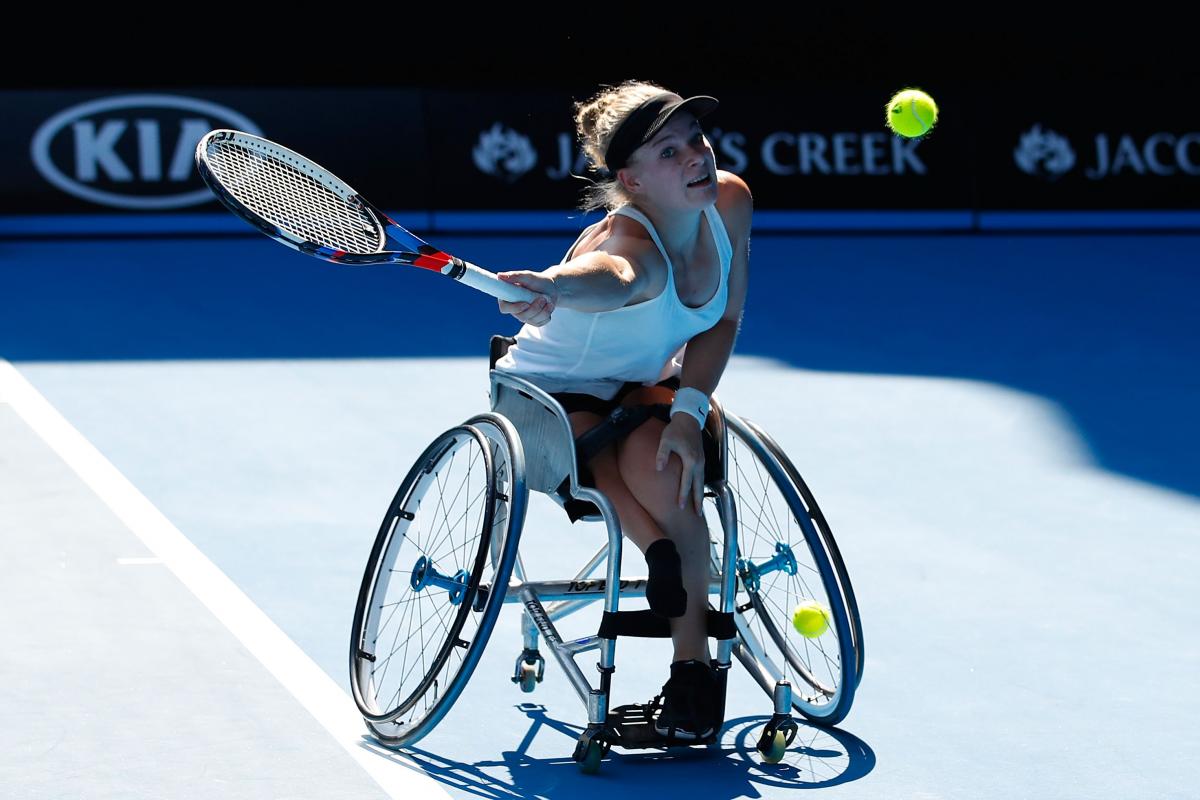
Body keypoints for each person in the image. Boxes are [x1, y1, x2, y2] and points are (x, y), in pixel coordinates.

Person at [493, 80, 752, 741]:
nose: (695, 156)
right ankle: (657, 549)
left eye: (694, 138)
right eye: (669, 152)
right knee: (596, 458)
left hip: (638, 386)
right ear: (631, 182)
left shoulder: (730, 200)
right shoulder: (634, 248)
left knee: (673, 476)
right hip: (549, 392)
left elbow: (721, 320)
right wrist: (552, 285)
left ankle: (692, 673)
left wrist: (690, 414)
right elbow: (617, 277)